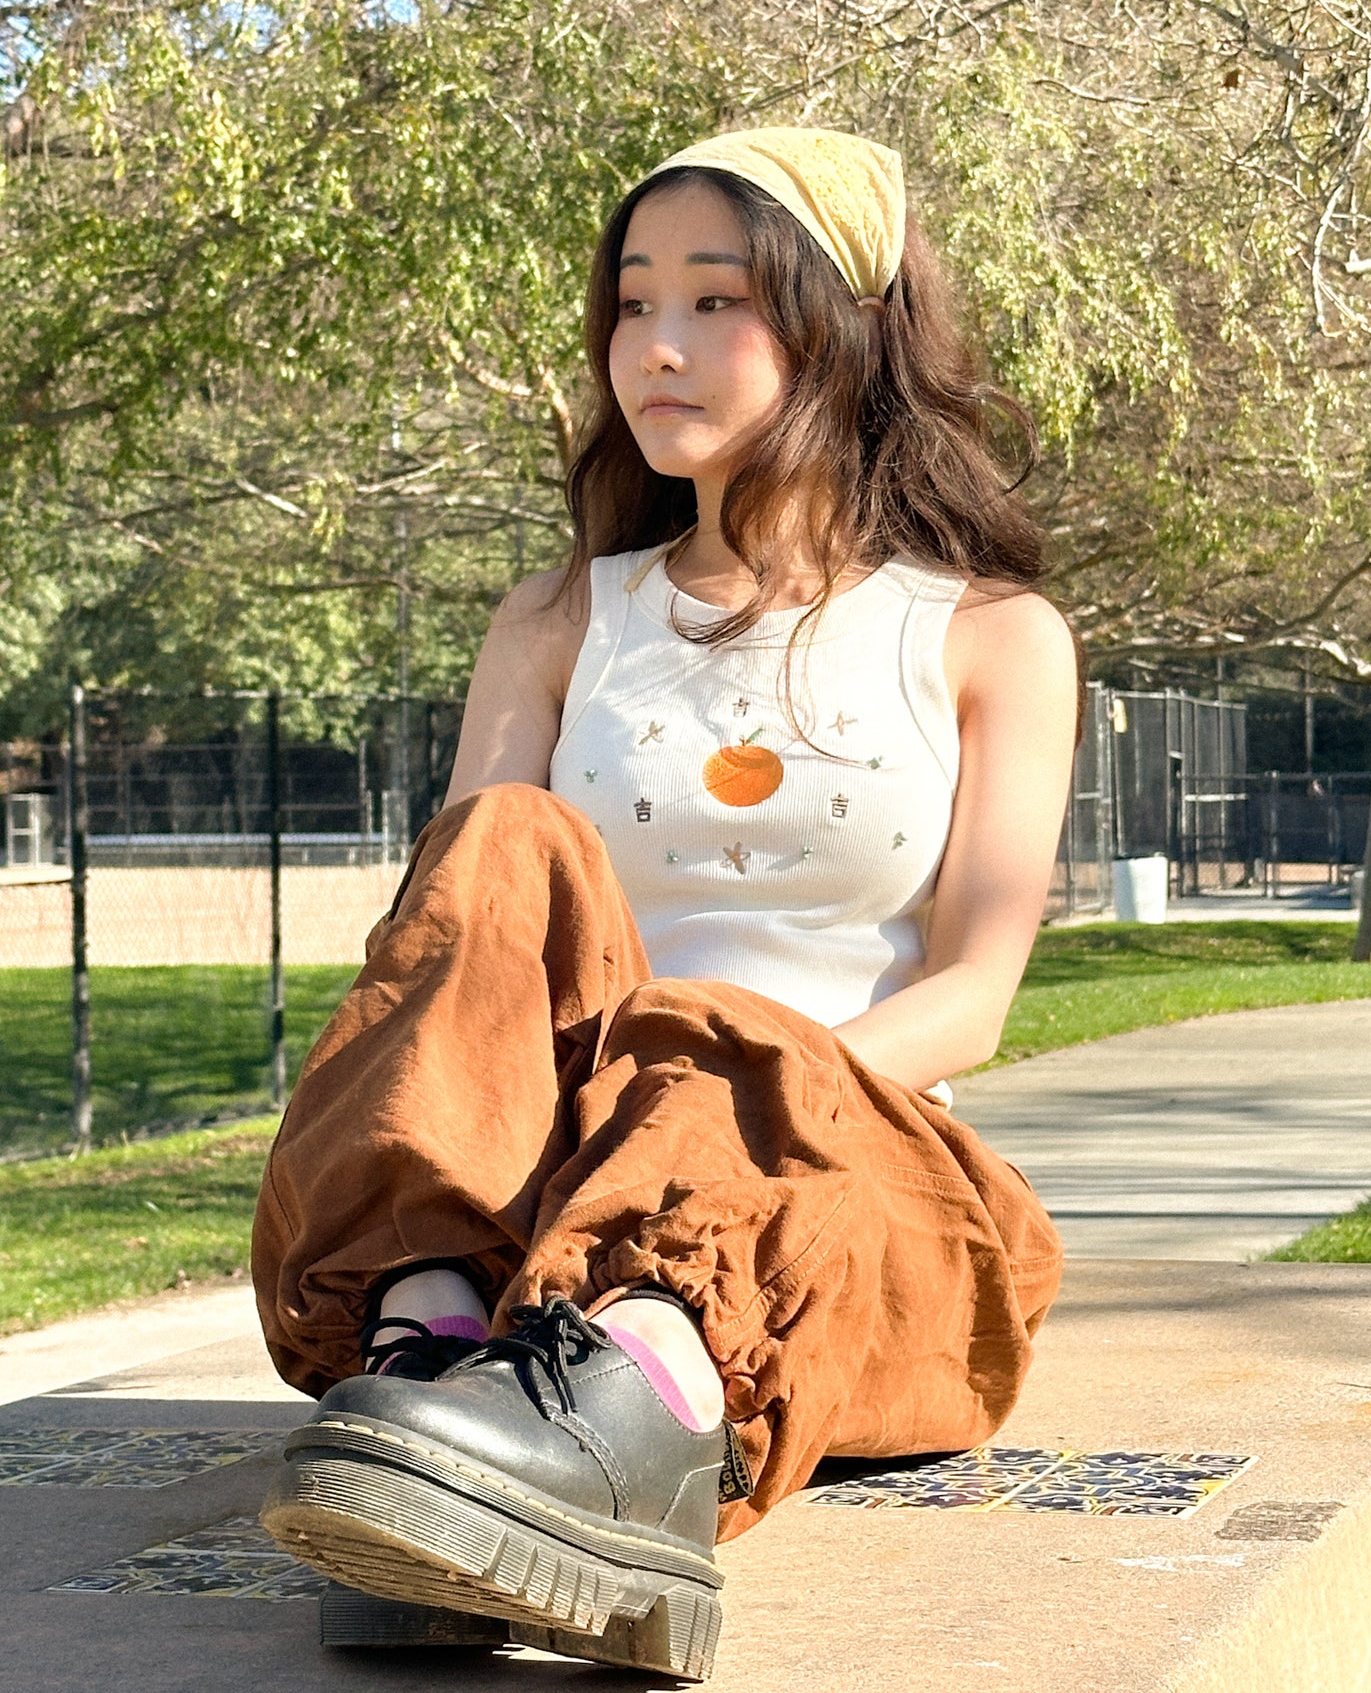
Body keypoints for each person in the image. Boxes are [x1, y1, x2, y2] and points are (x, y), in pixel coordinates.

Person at [254, 126, 1079, 1679]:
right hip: (538, 1209)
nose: (658, 347)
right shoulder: (562, 615)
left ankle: (611, 1417)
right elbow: (468, 952)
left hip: (845, 1179)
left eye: (714, 302)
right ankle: (431, 1366)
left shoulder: (988, 635)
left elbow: (973, 989)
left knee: (712, 1037)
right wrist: (591, 1134)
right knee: (500, 838)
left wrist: (704, 1082)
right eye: (633, 306)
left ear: (844, 325)